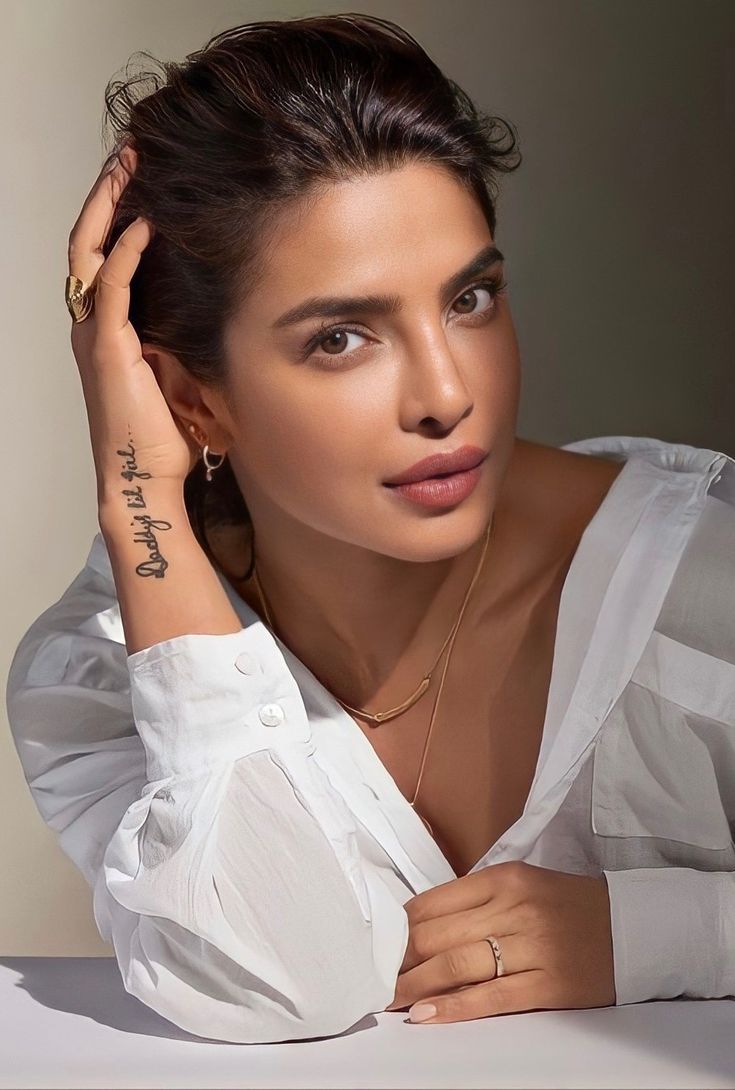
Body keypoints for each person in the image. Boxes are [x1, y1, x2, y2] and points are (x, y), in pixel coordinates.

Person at [6, 13, 735, 1045]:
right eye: (342, 337)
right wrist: (140, 501)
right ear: (188, 400)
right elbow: (288, 979)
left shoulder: (702, 605)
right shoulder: (109, 675)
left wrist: (673, 930)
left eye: (470, 299)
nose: (447, 394)